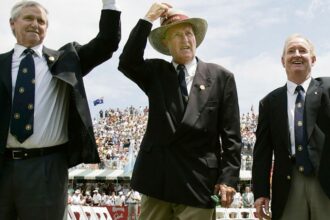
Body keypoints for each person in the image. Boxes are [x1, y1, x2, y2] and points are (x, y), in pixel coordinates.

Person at [118, 3, 241, 220]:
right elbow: (127, 61)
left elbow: (231, 137)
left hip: (199, 181)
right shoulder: (156, 72)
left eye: (189, 33)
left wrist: (228, 178)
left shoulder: (221, 77)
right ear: (165, 42)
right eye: (177, 35)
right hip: (158, 181)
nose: (185, 39)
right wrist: (147, 19)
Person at [0, 1, 121, 219]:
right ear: (12, 23)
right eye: (28, 18)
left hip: (47, 168)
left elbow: (107, 43)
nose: (35, 24)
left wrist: (109, 3)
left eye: (41, 21)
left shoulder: (66, 60)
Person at [252, 34, 330, 220]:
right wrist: (261, 192)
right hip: (288, 185)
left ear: (313, 59)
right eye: (291, 51)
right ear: (282, 61)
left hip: (326, 181)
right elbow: (262, 151)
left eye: (303, 50)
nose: (297, 54)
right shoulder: (269, 102)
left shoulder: (328, 89)